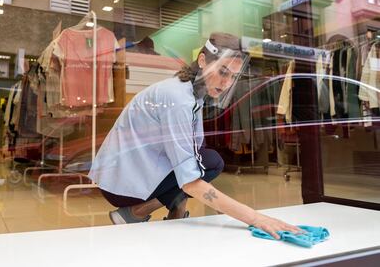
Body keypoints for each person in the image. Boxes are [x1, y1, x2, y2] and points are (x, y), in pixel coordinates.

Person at [89, 32, 301, 239]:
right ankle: (134, 212)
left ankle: (175, 213)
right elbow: (190, 180)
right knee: (210, 162)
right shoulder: (179, 100)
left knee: (205, 158)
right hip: (122, 183)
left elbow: (194, 153)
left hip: (130, 172)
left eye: (233, 77)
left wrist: (221, 208)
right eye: (223, 72)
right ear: (202, 60)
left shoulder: (190, 93)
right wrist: (254, 217)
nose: (227, 83)